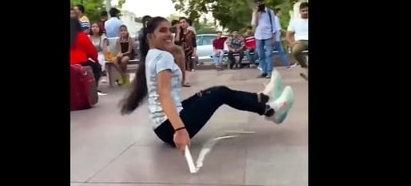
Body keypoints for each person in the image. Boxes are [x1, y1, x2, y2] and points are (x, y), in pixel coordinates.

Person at [119, 16, 294, 151]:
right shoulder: (161, 57)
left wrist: (176, 49)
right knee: (219, 93)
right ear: (151, 36)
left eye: (170, 30)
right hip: (171, 128)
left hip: (163, 128)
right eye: (163, 31)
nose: (168, 34)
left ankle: (263, 98)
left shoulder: (151, 56)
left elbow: (177, 81)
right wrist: (180, 130)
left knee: (215, 92)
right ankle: (270, 110)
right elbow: (164, 95)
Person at [70, 17, 102, 89]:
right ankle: (93, 88)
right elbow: (92, 51)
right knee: (98, 68)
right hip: (82, 62)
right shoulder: (82, 36)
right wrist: (96, 60)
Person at [251, 0, 277, 79]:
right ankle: (264, 71)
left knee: (269, 54)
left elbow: (274, 24)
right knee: (261, 54)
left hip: (268, 35)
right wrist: (257, 15)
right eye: (257, 3)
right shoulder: (255, 12)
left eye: (260, 2)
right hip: (258, 35)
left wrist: (274, 36)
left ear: (264, 3)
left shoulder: (269, 12)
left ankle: (269, 72)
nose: (259, 4)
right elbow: (254, 24)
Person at [287, 2, 309, 80]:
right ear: (300, 12)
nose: (305, 12)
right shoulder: (295, 21)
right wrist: (292, 43)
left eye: (307, 10)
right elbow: (289, 34)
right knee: (295, 50)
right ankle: (305, 66)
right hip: (301, 41)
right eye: (303, 11)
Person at [174, 17, 196, 82]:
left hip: (188, 51)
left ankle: (186, 80)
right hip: (180, 52)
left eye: (184, 22)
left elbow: (194, 43)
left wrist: (195, 51)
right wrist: (178, 31)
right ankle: (182, 79)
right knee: (180, 66)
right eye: (181, 22)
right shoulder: (178, 33)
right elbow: (176, 41)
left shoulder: (191, 33)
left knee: (188, 66)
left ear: (187, 23)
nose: (182, 24)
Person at [89, 22, 110, 93]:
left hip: (100, 54)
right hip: (90, 55)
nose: (94, 28)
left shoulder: (103, 37)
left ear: (99, 28)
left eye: (96, 27)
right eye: (93, 26)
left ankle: (97, 81)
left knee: (99, 60)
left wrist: (107, 57)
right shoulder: (88, 37)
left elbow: (104, 49)